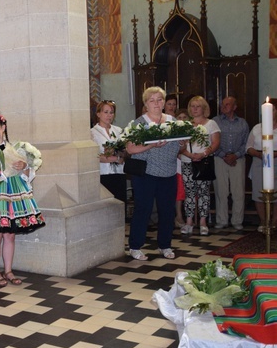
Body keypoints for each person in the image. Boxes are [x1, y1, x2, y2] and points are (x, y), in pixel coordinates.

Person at [0, 112, 46, 287]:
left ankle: (8, 270)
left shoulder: (15, 148)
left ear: (3, 128)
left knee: (9, 235)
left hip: (14, 192)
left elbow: (27, 175)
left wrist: (24, 166)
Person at [126, 87, 182, 260]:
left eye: (159, 99)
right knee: (144, 209)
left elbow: (181, 147)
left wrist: (183, 142)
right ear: (146, 104)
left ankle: (165, 245)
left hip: (168, 172)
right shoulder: (139, 123)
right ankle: (135, 246)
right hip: (146, 173)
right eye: (152, 100)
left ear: (164, 102)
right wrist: (151, 145)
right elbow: (130, 148)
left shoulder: (173, 121)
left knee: (167, 211)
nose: (156, 103)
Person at [179, 96, 221, 236]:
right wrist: (189, 154)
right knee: (189, 193)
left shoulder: (211, 124)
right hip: (187, 161)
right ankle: (189, 221)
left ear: (204, 108)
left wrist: (203, 154)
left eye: (198, 106)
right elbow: (179, 144)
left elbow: (215, 143)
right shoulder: (185, 125)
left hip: (204, 162)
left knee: (203, 192)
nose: (194, 109)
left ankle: (203, 222)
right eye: (192, 106)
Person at [213, 96, 250, 229]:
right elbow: (212, 142)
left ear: (234, 107)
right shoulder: (215, 121)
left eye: (228, 104)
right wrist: (224, 155)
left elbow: (246, 143)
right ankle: (222, 220)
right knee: (221, 191)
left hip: (238, 159)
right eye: (223, 104)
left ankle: (237, 221)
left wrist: (235, 155)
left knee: (238, 191)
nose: (224, 106)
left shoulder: (242, 123)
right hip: (219, 158)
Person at [246, 102, 277, 233]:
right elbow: (248, 147)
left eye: (273, 109)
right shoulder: (257, 128)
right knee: (258, 192)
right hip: (259, 162)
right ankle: (263, 221)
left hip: (275, 162)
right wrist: (257, 154)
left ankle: (274, 222)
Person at [90, 100, 126, 205]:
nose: (109, 115)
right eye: (106, 112)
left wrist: (122, 155)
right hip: (103, 173)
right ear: (98, 114)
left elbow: (125, 150)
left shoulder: (118, 130)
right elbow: (92, 155)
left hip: (119, 171)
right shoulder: (92, 132)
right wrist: (111, 158)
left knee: (120, 203)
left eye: (111, 112)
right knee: (107, 204)